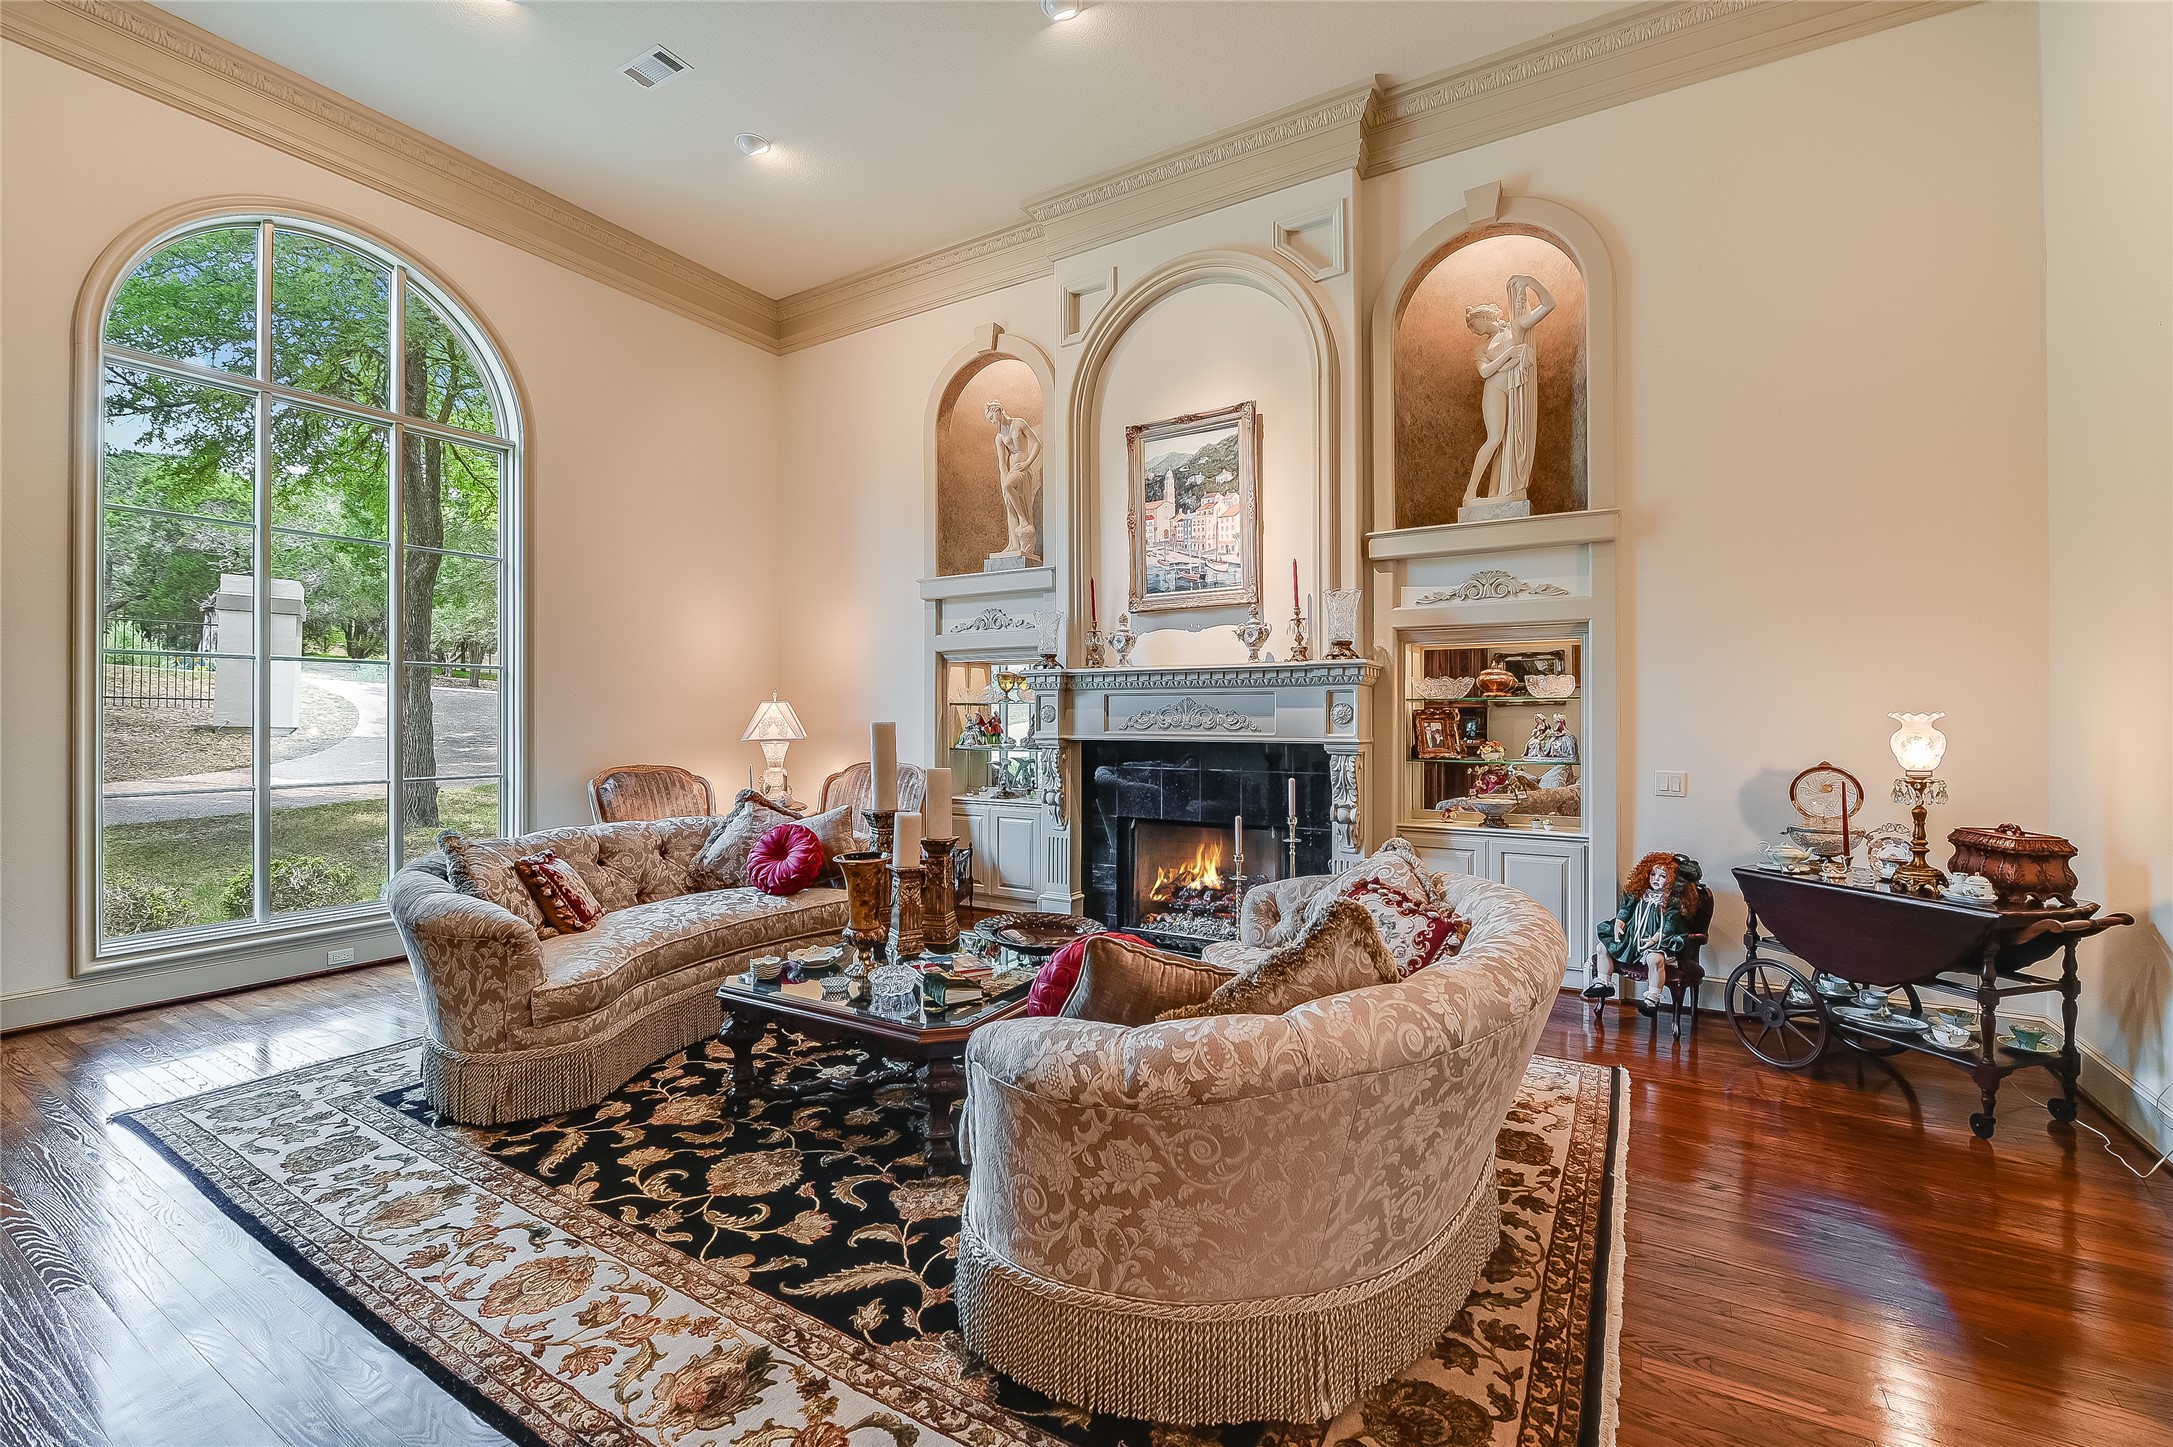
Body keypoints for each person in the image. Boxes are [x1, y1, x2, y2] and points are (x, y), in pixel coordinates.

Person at [1463, 274, 1557, 506]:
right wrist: (1508, 355)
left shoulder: (1514, 327)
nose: (1473, 332)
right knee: (1495, 438)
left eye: (1473, 325)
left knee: (1507, 442)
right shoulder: (1481, 348)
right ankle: (1470, 491)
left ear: (1484, 317)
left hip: (1515, 390)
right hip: (1494, 390)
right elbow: (1485, 372)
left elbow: (1549, 305)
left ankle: (1496, 491)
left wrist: (1532, 282)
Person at [1584, 852, 1704, 1015]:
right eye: (1653, 874)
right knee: (1602, 948)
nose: (1656, 879)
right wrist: (1619, 923)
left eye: (1662, 876)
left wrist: (1654, 940)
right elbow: (1625, 911)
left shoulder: (1671, 902)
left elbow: (1669, 927)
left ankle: (1652, 998)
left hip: (1658, 939)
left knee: (1655, 959)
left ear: (1672, 880)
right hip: (1633, 937)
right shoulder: (1639, 894)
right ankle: (1603, 983)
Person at [985, 401, 1043, 560]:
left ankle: (1023, 518)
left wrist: (1027, 463)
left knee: (1008, 487)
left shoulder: (1019, 423)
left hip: (1022, 470)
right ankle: (1014, 545)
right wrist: (1003, 479)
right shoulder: (999, 437)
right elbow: (1001, 463)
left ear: (997, 410)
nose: (992, 421)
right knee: (1009, 505)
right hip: (1011, 471)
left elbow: (1037, 443)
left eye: (992, 417)